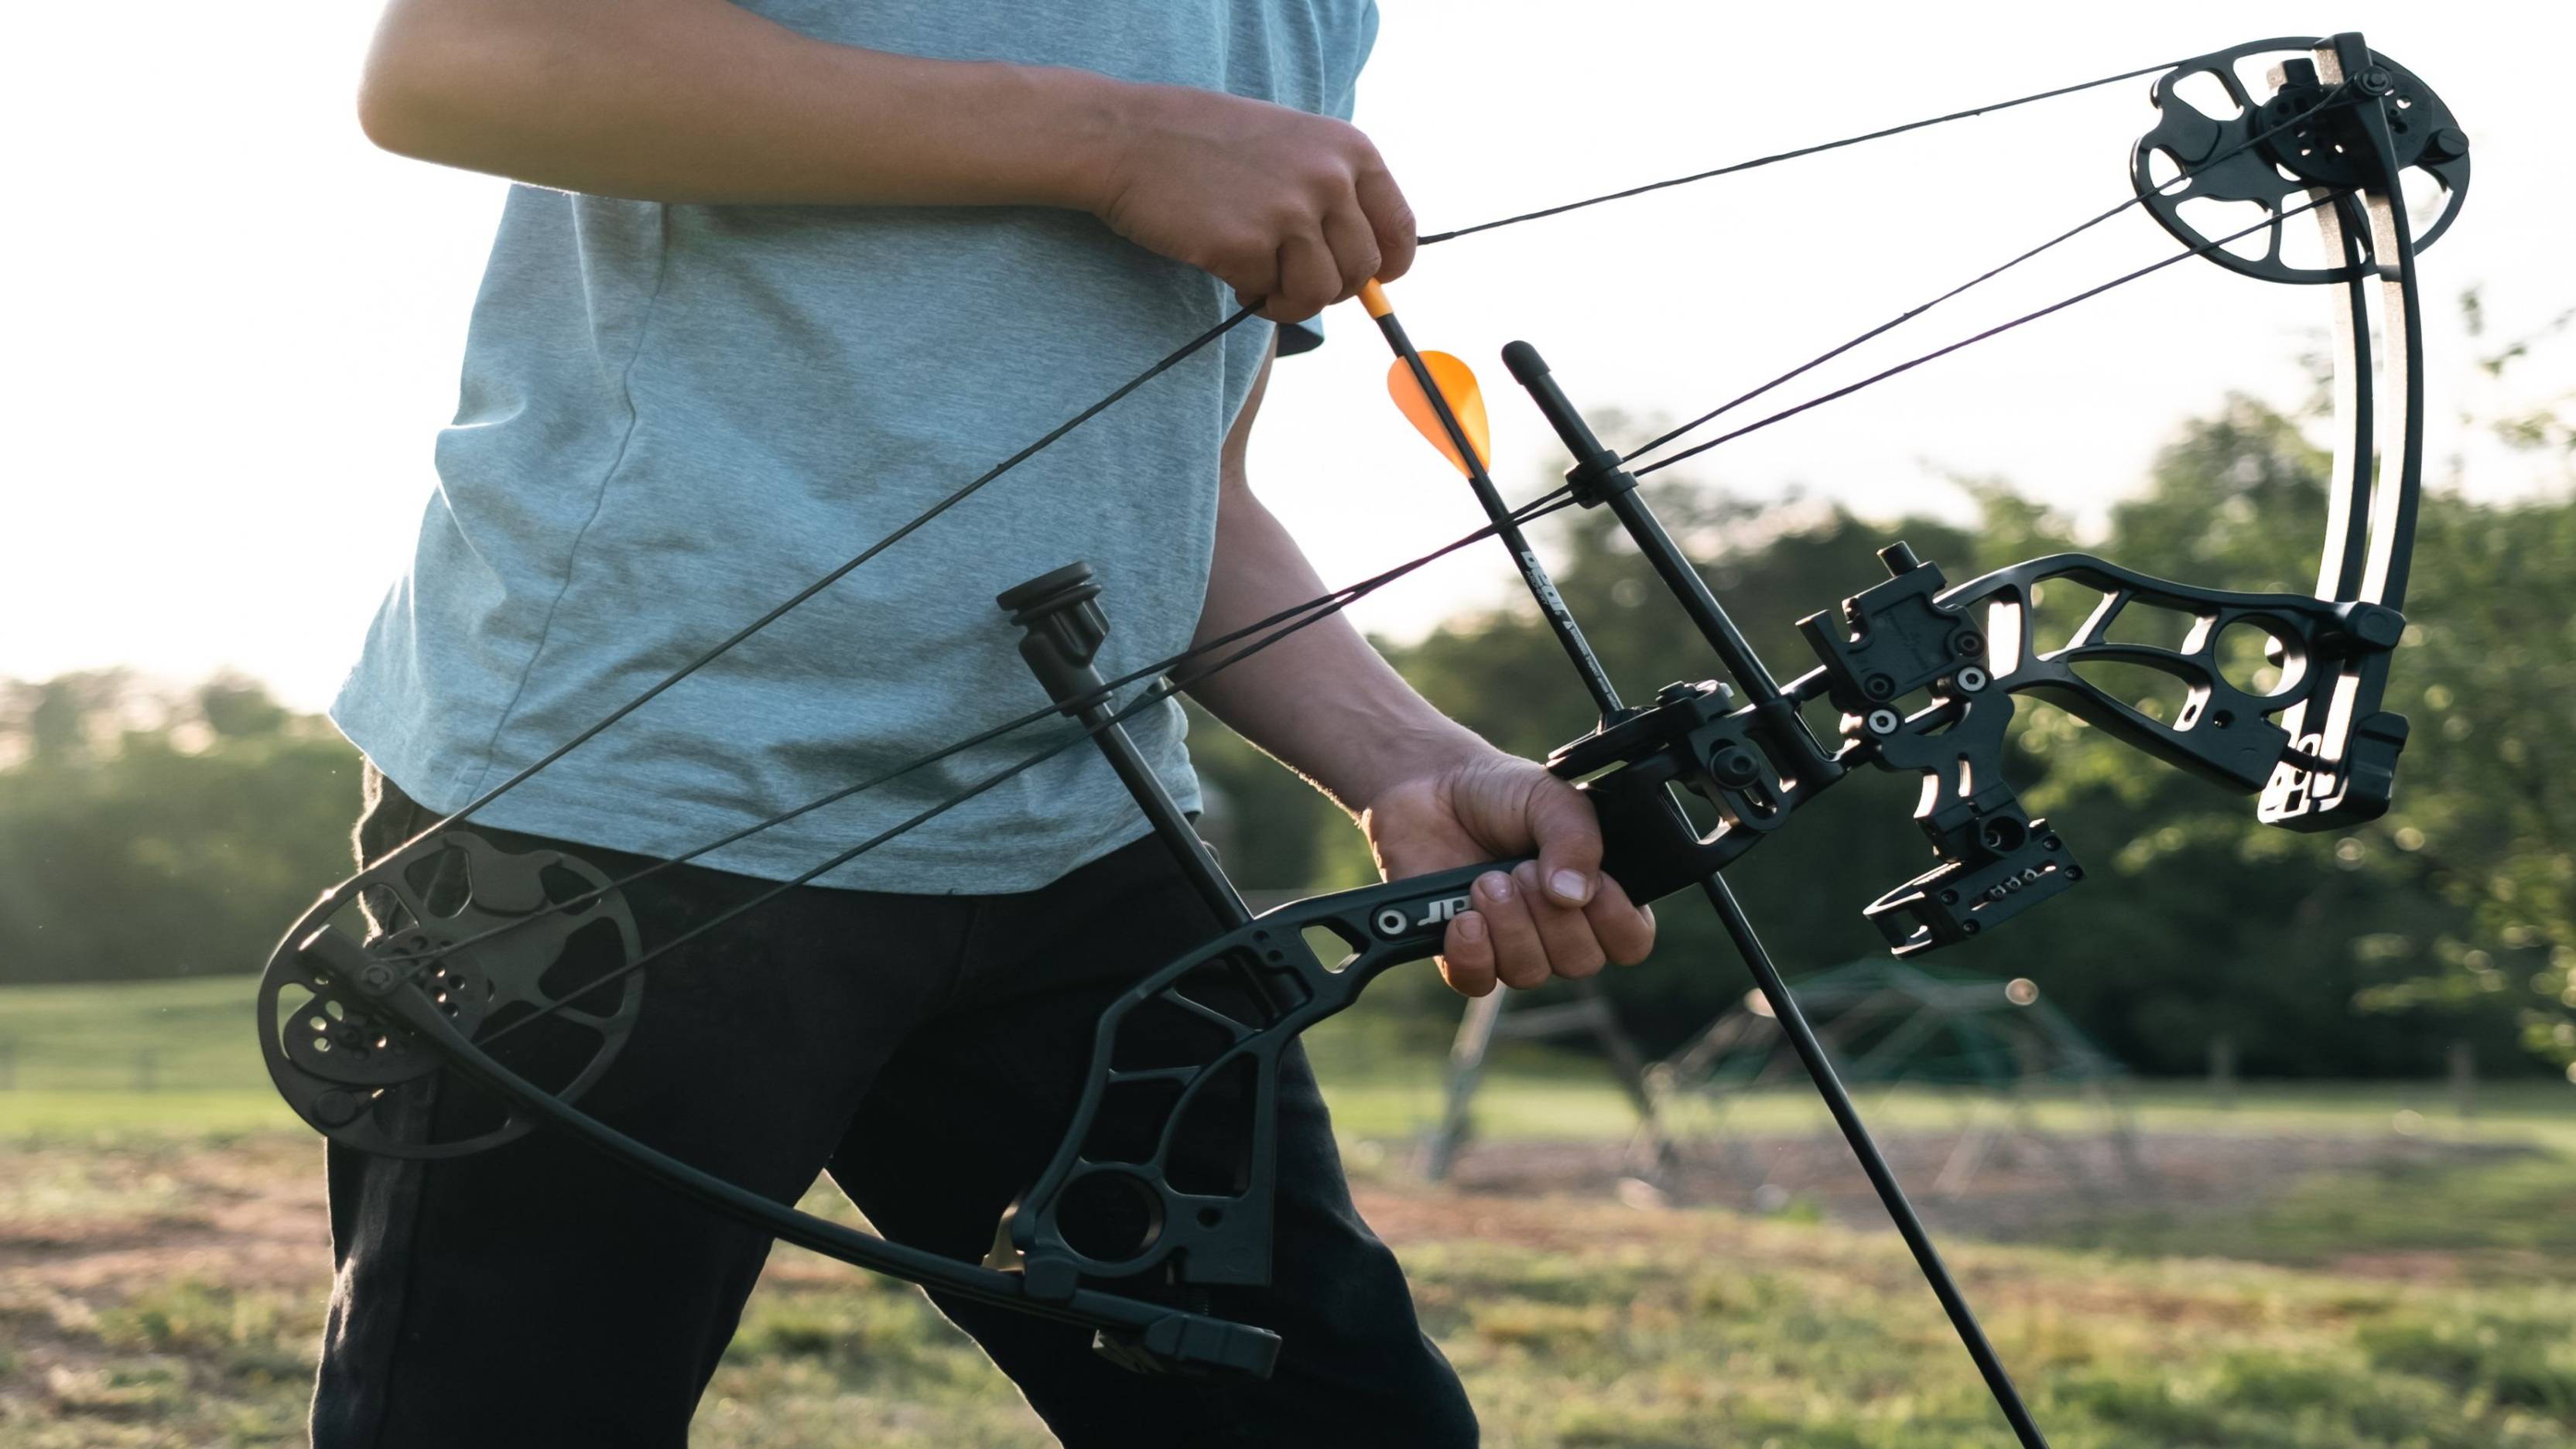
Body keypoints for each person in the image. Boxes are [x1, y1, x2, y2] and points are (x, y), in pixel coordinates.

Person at [320, 2, 1656, 1444]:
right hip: (634, 819)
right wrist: (1115, 140)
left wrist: (1411, 761)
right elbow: (455, 62)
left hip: (1080, 843)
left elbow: (1176, 488)